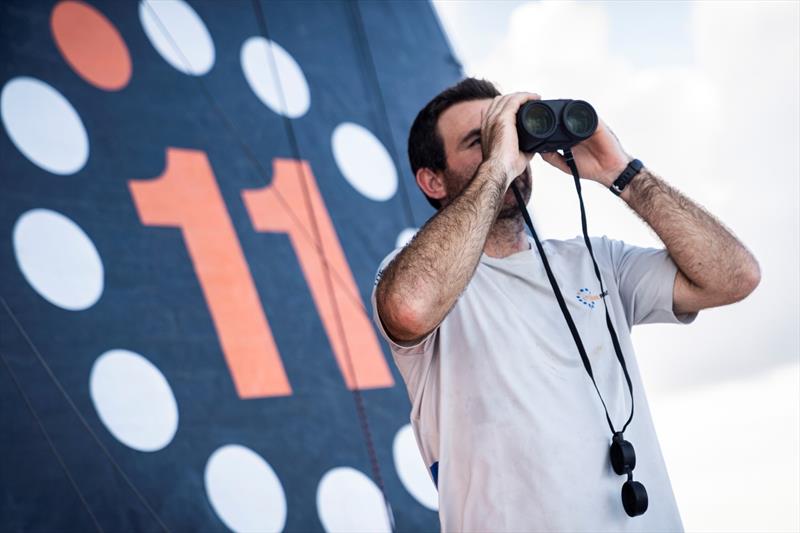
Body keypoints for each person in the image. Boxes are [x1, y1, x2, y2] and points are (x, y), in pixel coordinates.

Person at [371, 78, 761, 531]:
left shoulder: (597, 261)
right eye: (479, 140)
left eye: (510, 133)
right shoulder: (416, 275)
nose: (507, 147)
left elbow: (735, 277)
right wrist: (497, 167)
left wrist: (624, 173)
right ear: (432, 179)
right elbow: (408, 309)